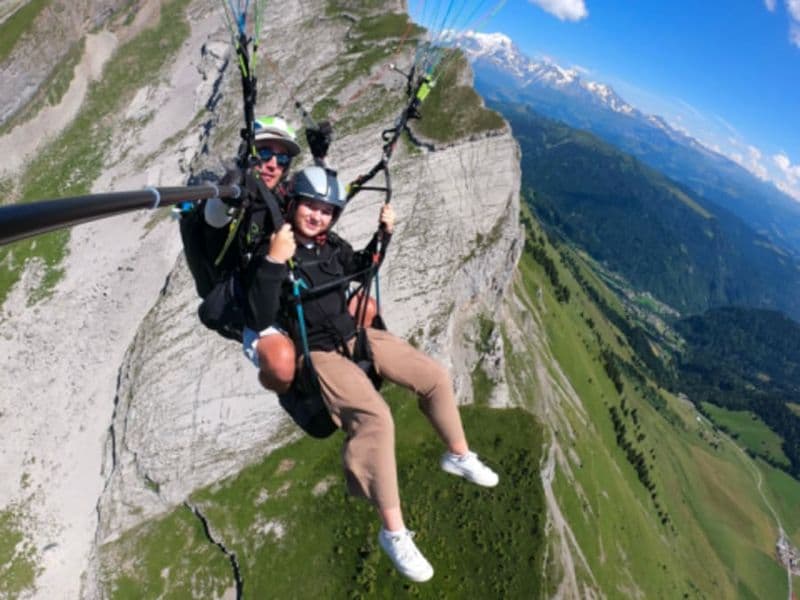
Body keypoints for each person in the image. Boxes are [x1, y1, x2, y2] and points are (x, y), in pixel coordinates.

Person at [242, 165, 500, 582]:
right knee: (376, 418)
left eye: (326, 210)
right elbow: (258, 313)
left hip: (354, 334)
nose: (318, 216)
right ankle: (394, 532)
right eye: (311, 206)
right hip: (317, 352)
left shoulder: (330, 245)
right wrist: (274, 259)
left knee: (434, 375)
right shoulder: (275, 249)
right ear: (293, 204)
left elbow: (362, 270)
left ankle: (458, 454)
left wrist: (383, 237)